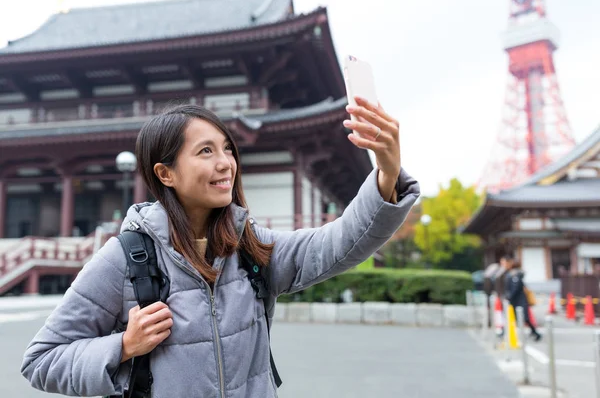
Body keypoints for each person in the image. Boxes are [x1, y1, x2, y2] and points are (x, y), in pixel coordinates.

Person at [20, 97, 420, 397]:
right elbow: (41, 360)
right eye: (206, 151)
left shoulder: (251, 248)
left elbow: (340, 242)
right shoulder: (125, 260)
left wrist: (386, 171)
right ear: (166, 173)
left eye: (228, 148)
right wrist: (123, 346)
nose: (226, 162)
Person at [504, 257, 542, 341]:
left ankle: (534, 332)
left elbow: (515, 288)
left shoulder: (515, 275)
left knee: (524, 318)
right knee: (515, 317)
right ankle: (533, 332)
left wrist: (509, 296)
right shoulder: (514, 274)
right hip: (518, 299)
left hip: (519, 300)